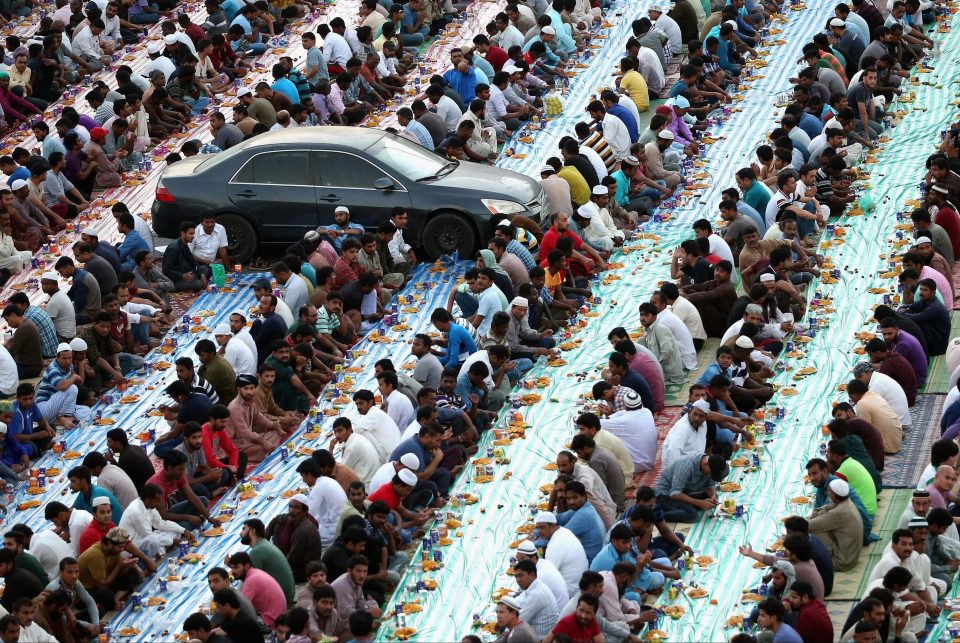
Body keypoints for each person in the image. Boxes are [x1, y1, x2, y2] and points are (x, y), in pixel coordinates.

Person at [807, 478, 863, 572]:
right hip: (851, 556)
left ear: (834, 495)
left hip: (842, 562)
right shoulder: (846, 501)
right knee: (821, 524)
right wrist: (820, 513)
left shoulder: (838, 512)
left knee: (813, 533)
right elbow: (823, 509)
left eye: (829, 491)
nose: (827, 493)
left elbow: (808, 526)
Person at [654, 453, 728, 522]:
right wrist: (699, 503)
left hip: (682, 492)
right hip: (665, 495)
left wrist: (713, 496)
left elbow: (709, 486)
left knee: (711, 498)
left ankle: (684, 508)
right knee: (692, 515)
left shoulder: (710, 466)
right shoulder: (686, 465)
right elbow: (674, 493)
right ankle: (655, 515)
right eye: (709, 473)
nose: (709, 475)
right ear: (705, 464)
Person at [238, 519, 296, 603]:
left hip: (282, 600)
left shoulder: (257, 551)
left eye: (244, 529)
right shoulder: (264, 544)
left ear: (252, 532)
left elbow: (250, 582)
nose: (240, 533)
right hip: (287, 595)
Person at [227, 551, 287, 628]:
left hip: (273, 621)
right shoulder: (255, 572)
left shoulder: (250, 581)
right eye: (231, 568)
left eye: (236, 567)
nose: (233, 571)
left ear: (247, 566)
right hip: (280, 614)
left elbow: (240, 608)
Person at [534, 511, 588, 596]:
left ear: (552, 526)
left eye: (542, 527)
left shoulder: (554, 546)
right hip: (578, 585)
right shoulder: (564, 531)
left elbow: (546, 578)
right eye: (537, 528)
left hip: (570, 592)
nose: (539, 531)